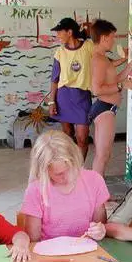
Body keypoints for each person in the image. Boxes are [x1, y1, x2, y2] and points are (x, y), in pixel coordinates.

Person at [20, 130, 110, 241]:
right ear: (44, 171)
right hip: (50, 254)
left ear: (76, 159)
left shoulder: (94, 180)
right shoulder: (35, 190)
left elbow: (100, 224)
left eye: (70, 168)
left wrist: (100, 231)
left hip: (88, 250)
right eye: (59, 174)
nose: (67, 177)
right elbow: (33, 240)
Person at [89, 19, 132, 176]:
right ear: (104, 38)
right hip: (104, 109)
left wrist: (131, 65)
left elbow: (115, 79)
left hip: (107, 109)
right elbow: (96, 89)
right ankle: (97, 197)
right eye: (112, 37)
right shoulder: (98, 59)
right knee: (102, 156)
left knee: (105, 155)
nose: (114, 41)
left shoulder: (104, 58)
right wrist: (121, 86)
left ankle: (98, 194)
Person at [47, 17, 95, 159]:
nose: (57, 35)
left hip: (83, 96)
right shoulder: (59, 53)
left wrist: (123, 60)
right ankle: (69, 166)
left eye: (59, 32)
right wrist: (52, 101)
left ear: (69, 32)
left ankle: (79, 170)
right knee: (67, 136)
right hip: (64, 97)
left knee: (82, 139)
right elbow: (54, 80)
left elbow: (103, 62)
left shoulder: (88, 47)